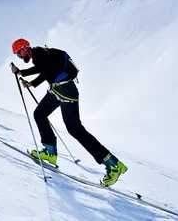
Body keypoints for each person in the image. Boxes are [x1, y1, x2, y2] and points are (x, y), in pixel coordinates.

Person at [10, 38, 128, 186]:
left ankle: (113, 164)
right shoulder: (40, 57)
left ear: (24, 48)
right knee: (39, 114)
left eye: (19, 53)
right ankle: (50, 152)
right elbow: (46, 71)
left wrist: (21, 72)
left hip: (65, 90)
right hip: (59, 89)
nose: (20, 57)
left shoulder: (39, 52)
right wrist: (31, 83)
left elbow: (43, 69)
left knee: (75, 129)